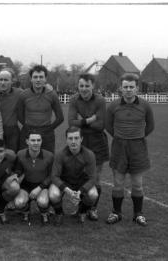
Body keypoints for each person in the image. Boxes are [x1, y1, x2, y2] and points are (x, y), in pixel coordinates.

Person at [105, 73, 155, 226]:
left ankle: (138, 214)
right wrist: (121, 136)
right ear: (120, 88)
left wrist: (137, 136)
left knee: (137, 184)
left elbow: (150, 126)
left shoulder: (145, 105)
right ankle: (116, 212)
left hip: (138, 147)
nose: (128, 90)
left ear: (136, 88)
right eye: (125, 87)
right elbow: (108, 126)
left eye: (131, 87)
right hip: (119, 147)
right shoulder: (113, 106)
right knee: (118, 183)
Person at [68, 73, 109, 220]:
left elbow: (100, 125)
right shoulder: (74, 99)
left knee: (95, 178)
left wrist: (82, 121)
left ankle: (93, 209)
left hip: (97, 143)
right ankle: (81, 209)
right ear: (78, 86)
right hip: (80, 143)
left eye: (87, 85)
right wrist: (90, 120)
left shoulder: (100, 100)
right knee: (81, 176)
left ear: (93, 86)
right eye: (81, 86)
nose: (84, 89)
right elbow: (71, 123)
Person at [49, 126, 98, 225]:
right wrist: (67, 190)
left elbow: (93, 178)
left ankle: (82, 211)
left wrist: (80, 191)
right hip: (65, 182)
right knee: (53, 194)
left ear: (81, 139)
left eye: (76, 138)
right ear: (66, 140)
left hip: (81, 183)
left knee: (94, 194)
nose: (73, 141)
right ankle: (59, 213)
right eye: (70, 138)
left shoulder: (89, 154)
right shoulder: (60, 154)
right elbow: (54, 176)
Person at [17, 65, 64, 153]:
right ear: (31, 79)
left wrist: (49, 129)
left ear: (45, 79)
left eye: (41, 77)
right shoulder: (23, 95)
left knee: (48, 159)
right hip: (28, 132)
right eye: (35, 77)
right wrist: (27, 126)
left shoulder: (52, 95)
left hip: (46, 134)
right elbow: (19, 115)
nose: (38, 80)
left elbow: (60, 117)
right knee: (24, 159)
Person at [13, 130, 54, 225]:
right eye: (33, 140)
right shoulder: (20, 154)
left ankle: (44, 213)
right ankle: (26, 212)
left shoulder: (49, 156)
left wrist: (40, 187)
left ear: (41, 141)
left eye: (38, 140)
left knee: (43, 202)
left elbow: (52, 175)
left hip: (42, 185)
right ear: (27, 141)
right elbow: (18, 170)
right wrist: (16, 176)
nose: (36, 143)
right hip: (26, 185)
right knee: (19, 203)